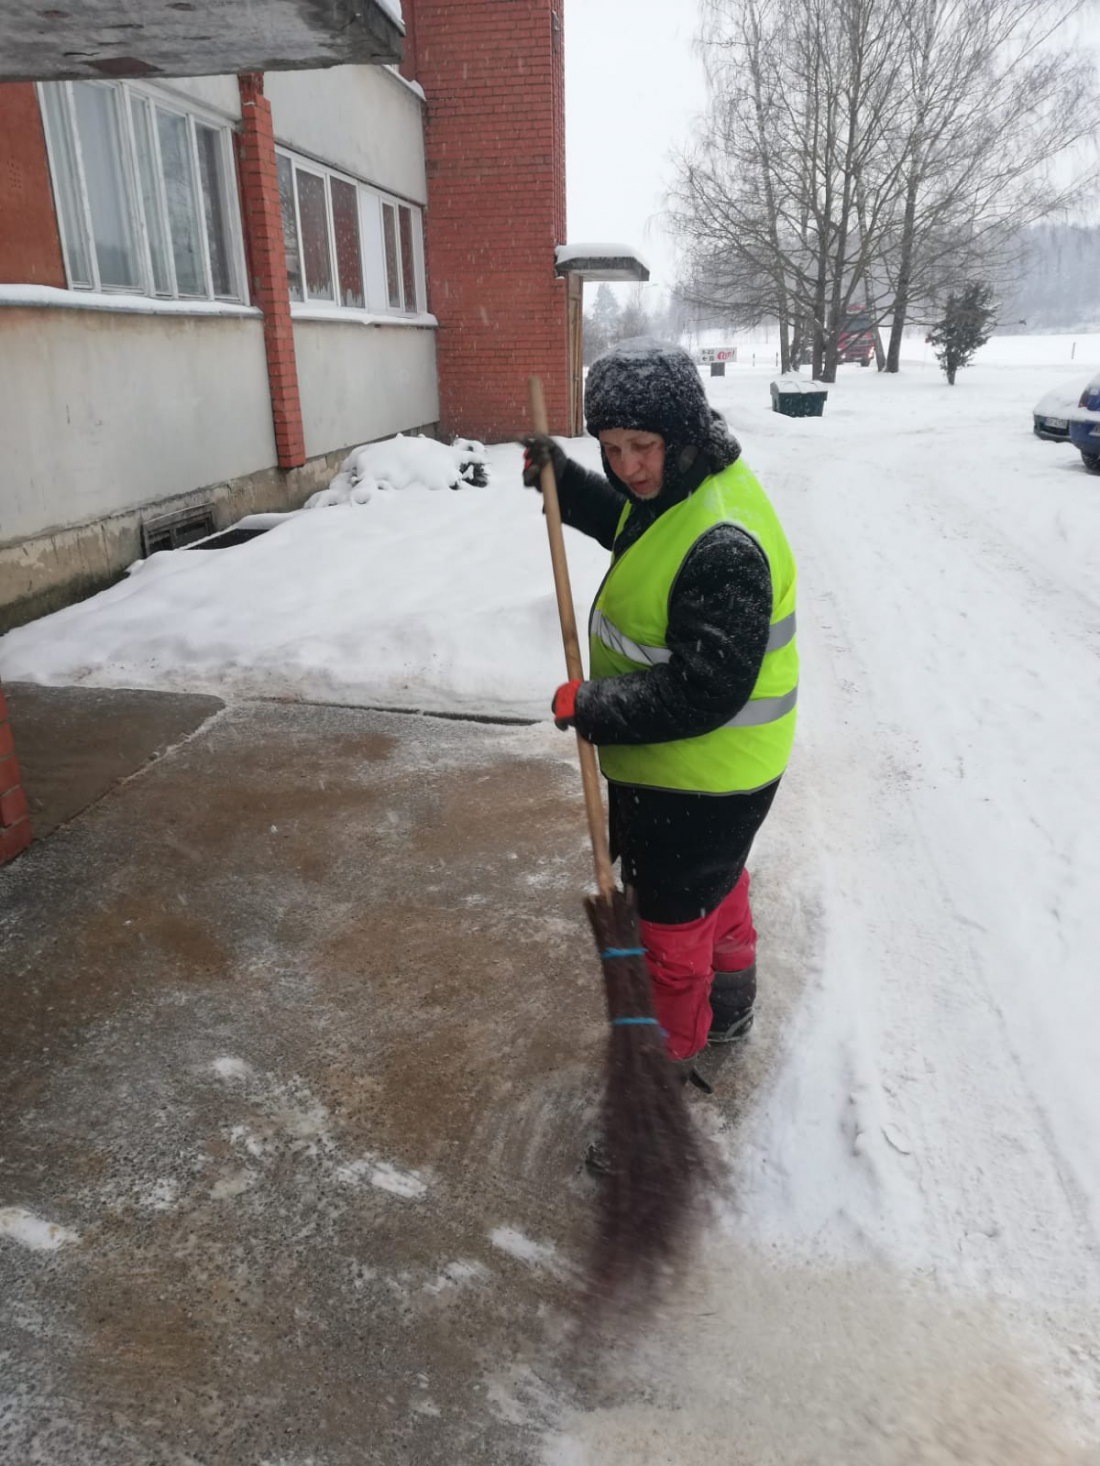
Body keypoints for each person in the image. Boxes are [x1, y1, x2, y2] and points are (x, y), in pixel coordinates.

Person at [523, 338, 798, 1087]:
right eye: (610, 448)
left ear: (682, 434)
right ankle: (733, 1006)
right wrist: (567, 483)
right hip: (723, 777)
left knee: (670, 941)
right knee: (722, 890)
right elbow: (636, 522)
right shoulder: (686, 488)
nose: (628, 466)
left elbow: (703, 690)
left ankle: (660, 1079)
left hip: (700, 781)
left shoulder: (724, 545)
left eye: (642, 447)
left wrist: (594, 707)